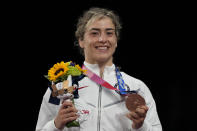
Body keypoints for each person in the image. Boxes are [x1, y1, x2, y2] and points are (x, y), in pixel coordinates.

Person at [36, 7, 162, 131]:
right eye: (94, 33)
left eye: (109, 33)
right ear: (81, 40)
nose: (102, 39)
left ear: (116, 40)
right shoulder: (60, 87)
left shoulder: (137, 87)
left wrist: (140, 126)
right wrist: (55, 125)